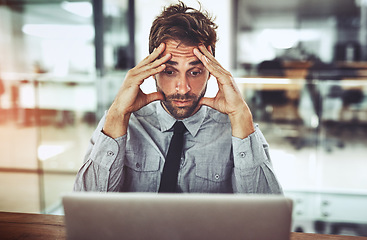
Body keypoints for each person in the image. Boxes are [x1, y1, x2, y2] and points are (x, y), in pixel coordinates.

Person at [74, 2, 282, 194]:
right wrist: (118, 112)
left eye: (195, 72)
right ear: (152, 70)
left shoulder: (237, 128)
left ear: (211, 72)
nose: (182, 88)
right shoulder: (120, 123)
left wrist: (241, 115)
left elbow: (267, 217)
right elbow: (85, 206)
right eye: (170, 71)